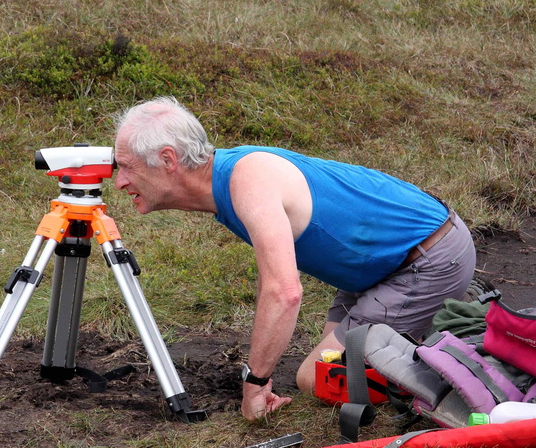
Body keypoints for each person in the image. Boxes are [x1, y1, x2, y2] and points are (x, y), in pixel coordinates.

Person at [113, 97, 476, 420]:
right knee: (332, 367)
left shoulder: (248, 181)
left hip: (424, 260)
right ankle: (431, 328)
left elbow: (284, 292)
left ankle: (467, 356)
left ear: (167, 159)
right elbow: (272, 276)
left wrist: (255, 382)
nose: (119, 182)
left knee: (317, 378)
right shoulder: (231, 175)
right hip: (377, 268)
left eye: (127, 167)